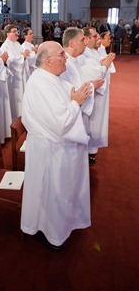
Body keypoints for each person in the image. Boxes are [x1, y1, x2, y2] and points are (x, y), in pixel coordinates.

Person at [21, 41, 92, 250]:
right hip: (50, 151)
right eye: (62, 54)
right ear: (49, 61)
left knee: (61, 192)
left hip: (59, 148)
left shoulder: (53, 77)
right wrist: (75, 102)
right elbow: (59, 122)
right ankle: (50, 232)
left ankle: (63, 225)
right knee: (52, 193)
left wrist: (75, 97)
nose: (66, 57)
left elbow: (68, 95)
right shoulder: (40, 83)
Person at [78, 27, 115, 164]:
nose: (97, 39)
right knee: (91, 123)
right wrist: (104, 65)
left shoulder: (92, 52)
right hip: (93, 95)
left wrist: (104, 65)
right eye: (95, 37)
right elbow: (95, 76)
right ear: (86, 39)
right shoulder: (85, 54)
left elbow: (99, 68)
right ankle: (88, 150)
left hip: (99, 93)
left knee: (96, 122)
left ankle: (92, 148)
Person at [61, 27, 104, 134]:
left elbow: (78, 83)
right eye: (82, 40)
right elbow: (69, 93)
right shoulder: (63, 63)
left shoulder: (73, 59)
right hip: (69, 119)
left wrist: (90, 85)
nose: (85, 43)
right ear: (71, 43)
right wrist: (92, 86)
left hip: (78, 113)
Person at [0, 24, 30, 120]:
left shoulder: (17, 44)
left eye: (17, 31)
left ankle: (25, 115)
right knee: (17, 98)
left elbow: (21, 56)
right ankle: (17, 118)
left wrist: (23, 56)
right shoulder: (5, 47)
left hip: (22, 74)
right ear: (8, 34)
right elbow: (11, 61)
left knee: (24, 95)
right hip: (15, 77)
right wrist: (23, 56)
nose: (17, 33)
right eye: (14, 32)